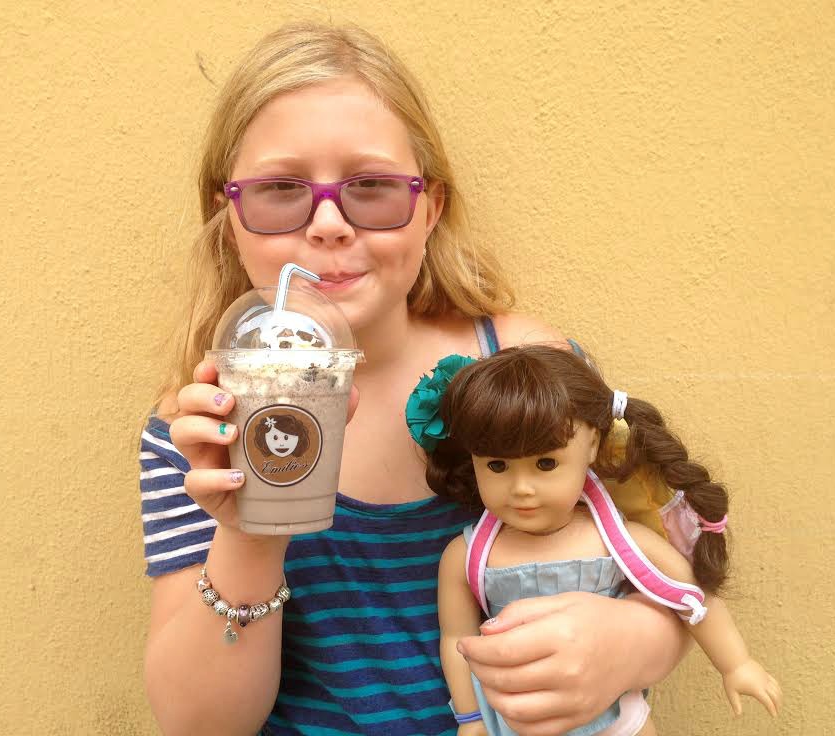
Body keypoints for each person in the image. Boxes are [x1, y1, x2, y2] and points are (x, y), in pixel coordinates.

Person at [140, 22, 689, 736]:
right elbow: (200, 725)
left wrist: (637, 642)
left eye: (371, 188)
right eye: (281, 189)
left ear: (430, 207)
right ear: (228, 216)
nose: (330, 223)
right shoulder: (201, 427)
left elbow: (665, 577)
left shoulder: (529, 372)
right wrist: (250, 532)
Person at [420, 346, 782, 735]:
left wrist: (736, 663)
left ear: (591, 445)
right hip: (514, 723)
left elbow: (692, 597)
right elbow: (458, 638)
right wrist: (471, 718)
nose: (521, 488)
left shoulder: (619, 542)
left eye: (545, 464)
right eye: (496, 466)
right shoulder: (467, 557)